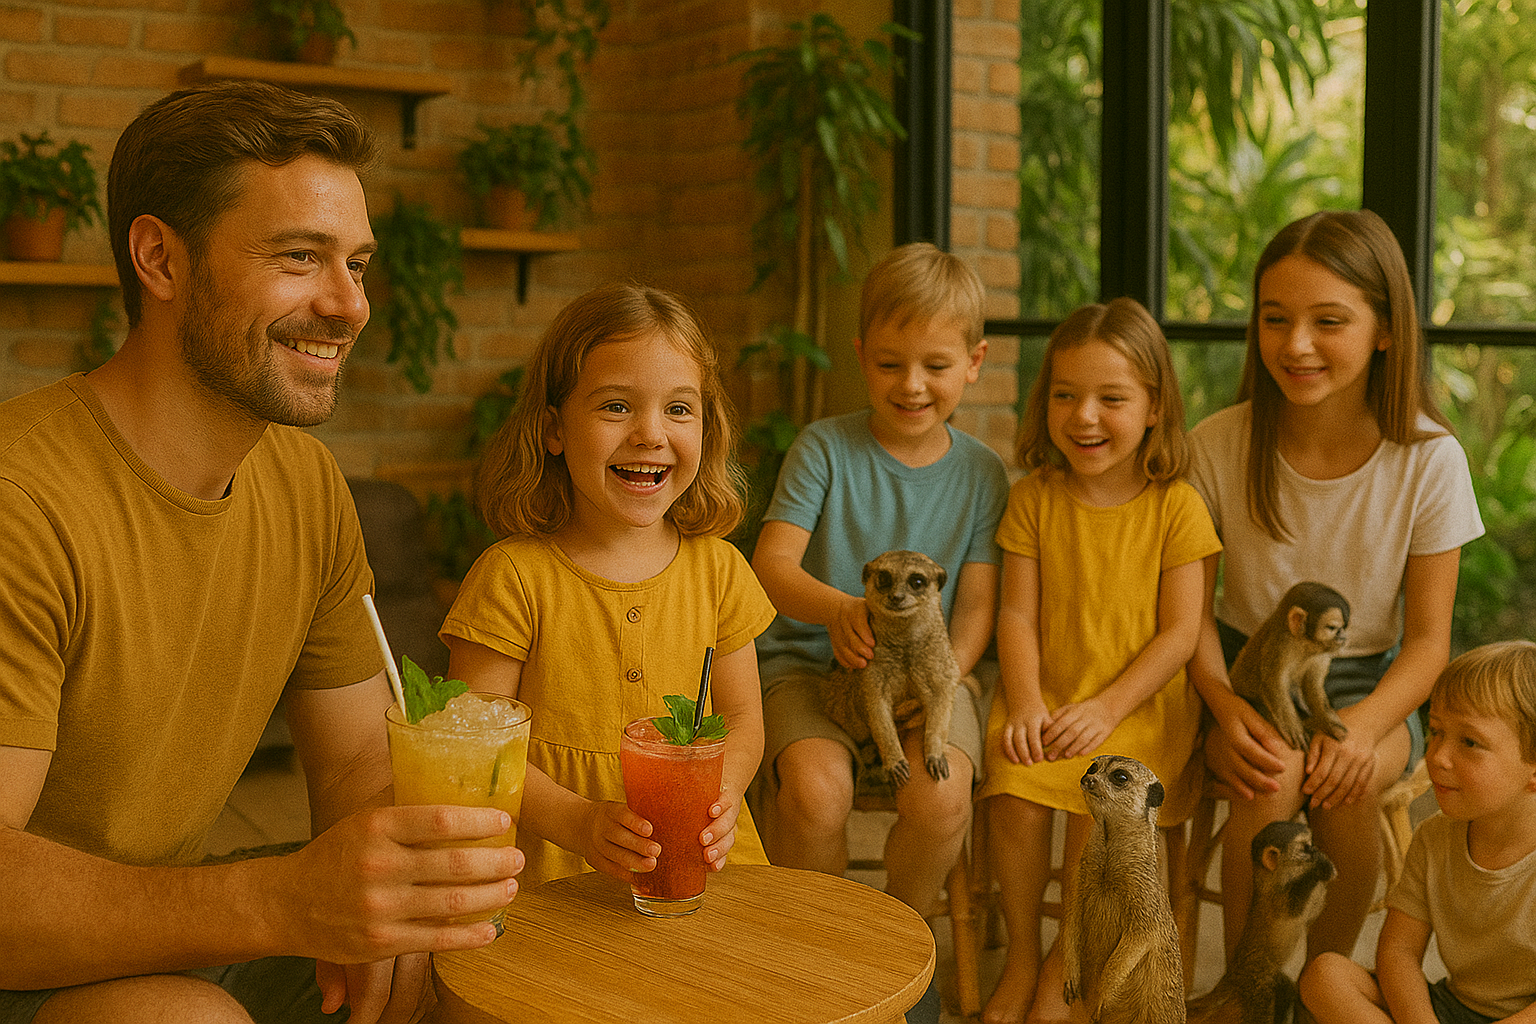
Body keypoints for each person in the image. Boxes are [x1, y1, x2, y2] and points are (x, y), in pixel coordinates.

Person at [0, 81, 524, 1024]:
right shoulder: (22, 501)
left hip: (175, 931)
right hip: (26, 968)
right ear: (160, 257)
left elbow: (361, 760)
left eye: (357, 264)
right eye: (299, 258)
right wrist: (282, 899)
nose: (349, 304)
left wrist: (391, 904)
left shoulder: (308, 487)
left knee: (483, 986)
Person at [1189, 209, 1484, 966]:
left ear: (1385, 329)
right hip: (1240, 676)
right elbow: (1186, 617)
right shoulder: (1219, 444)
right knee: (1272, 776)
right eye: (1275, 319)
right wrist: (1223, 706)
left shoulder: (1428, 459)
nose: (1296, 345)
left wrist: (1360, 727)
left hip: (1373, 684)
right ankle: (1251, 991)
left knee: (1340, 783)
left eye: (1329, 321)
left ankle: (1323, 980)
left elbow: (1427, 645)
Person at [439, 282, 776, 891]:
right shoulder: (511, 576)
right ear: (553, 430)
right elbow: (478, 747)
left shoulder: (721, 569)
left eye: (678, 408)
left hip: (694, 852)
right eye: (616, 406)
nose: (650, 433)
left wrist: (722, 791)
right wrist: (577, 822)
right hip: (547, 864)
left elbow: (744, 719)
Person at [750, 242, 1010, 1024]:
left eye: (935, 365)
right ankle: (820, 949)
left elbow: (978, 608)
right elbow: (770, 567)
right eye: (891, 364)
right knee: (818, 791)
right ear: (861, 356)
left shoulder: (982, 474)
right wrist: (835, 611)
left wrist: (945, 679)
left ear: (973, 363)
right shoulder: (824, 447)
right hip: (807, 668)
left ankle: (896, 949)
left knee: (941, 796)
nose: (912, 385)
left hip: (934, 676)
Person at [975, 297, 1221, 1024]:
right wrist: (1024, 703)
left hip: (1136, 712)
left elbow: (1180, 635)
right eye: (1065, 395)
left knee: (1104, 819)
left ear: (1153, 407)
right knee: (1014, 797)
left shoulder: (1178, 508)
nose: (1084, 416)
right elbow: (1016, 613)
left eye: (1110, 398)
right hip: (1046, 697)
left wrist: (1107, 708)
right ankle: (1025, 955)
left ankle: (1066, 967)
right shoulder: (1033, 500)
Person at [1299, 640, 1536, 1024]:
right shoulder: (1434, 838)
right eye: (1437, 732)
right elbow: (1399, 951)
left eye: (1469, 742)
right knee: (1325, 976)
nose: (1438, 757)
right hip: (1449, 1009)